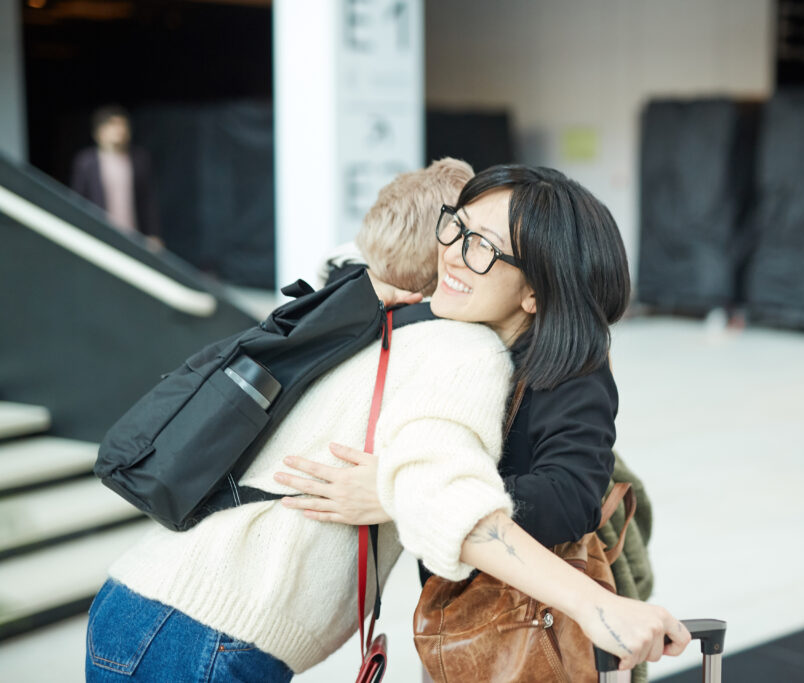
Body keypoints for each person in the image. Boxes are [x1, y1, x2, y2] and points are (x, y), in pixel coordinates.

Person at [86, 162, 688, 682]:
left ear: (537, 291)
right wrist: (593, 605)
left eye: (482, 246)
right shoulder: (453, 343)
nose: (452, 252)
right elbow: (442, 497)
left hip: (164, 607)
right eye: (455, 228)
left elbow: (563, 493)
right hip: (203, 630)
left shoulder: (461, 339)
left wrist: (394, 494)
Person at [70, 104, 161, 245]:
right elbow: (79, 201)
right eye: (113, 125)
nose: (119, 131)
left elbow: (147, 201)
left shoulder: (139, 160)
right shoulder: (86, 162)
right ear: (99, 132)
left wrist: (152, 234)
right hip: (99, 237)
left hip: (133, 236)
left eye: (123, 126)